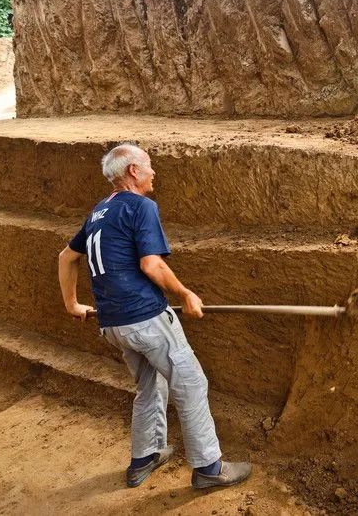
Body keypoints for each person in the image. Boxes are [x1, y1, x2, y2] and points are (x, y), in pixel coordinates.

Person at [57, 143, 252, 489]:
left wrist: (73, 305)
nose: (153, 172)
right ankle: (209, 468)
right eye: (148, 165)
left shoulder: (98, 212)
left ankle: (144, 458)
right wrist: (185, 294)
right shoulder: (141, 206)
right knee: (191, 383)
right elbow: (152, 264)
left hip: (112, 323)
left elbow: (65, 257)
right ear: (133, 171)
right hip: (144, 318)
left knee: (150, 384)